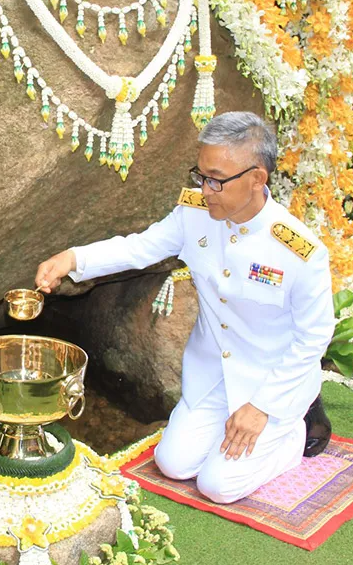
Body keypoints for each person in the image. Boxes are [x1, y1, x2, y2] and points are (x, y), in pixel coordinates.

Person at [34, 112, 335, 504]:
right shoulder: (194, 216)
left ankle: (295, 429)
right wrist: (72, 259)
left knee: (218, 485)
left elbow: (314, 337)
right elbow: (137, 248)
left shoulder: (297, 249)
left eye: (216, 179)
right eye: (200, 176)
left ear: (257, 178)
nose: (205, 189)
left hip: (270, 384)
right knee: (173, 463)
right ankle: (231, 435)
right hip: (212, 377)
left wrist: (262, 407)